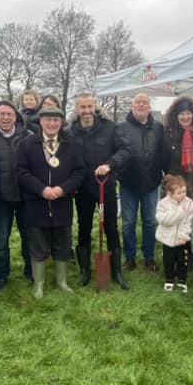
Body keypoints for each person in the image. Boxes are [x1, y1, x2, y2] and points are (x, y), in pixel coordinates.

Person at [16, 106, 85, 298]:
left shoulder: (71, 144)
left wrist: (62, 189)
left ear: (61, 122)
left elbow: (79, 172)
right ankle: (39, 283)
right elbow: (21, 172)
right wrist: (42, 189)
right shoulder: (27, 144)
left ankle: (61, 281)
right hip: (36, 203)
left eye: (56, 120)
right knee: (38, 245)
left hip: (62, 203)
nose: (52, 124)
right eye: (48, 120)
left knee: (62, 243)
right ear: (41, 122)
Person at [69, 94, 131, 289]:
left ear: (95, 107)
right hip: (83, 189)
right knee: (84, 228)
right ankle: (85, 271)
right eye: (82, 107)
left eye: (89, 106)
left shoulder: (110, 128)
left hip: (106, 187)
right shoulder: (70, 132)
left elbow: (124, 151)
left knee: (111, 227)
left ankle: (117, 273)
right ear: (77, 109)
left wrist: (109, 165)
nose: (86, 111)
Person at [0, 100, 32, 291]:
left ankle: (31, 270)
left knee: (29, 236)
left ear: (16, 117)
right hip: (1, 198)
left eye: (9, 114)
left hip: (25, 196)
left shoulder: (29, 137)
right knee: (0, 238)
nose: (5, 118)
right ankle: (1, 274)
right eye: (1, 114)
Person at [117, 93, 165, 272]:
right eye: (138, 102)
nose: (141, 105)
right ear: (132, 106)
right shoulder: (121, 127)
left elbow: (163, 153)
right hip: (128, 183)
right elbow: (116, 152)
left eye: (145, 103)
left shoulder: (158, 128)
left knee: (150, 221)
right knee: (128, 222)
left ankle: (149, 257)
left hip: (152, 184)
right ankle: (130, 257)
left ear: (149, 107)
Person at [163, 96, 193, 210]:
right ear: (176, 116)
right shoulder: (168, 135)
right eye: (181, 114)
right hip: (177, 183)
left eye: (188, 113)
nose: (185, 117)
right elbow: (164, 160)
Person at [155, 174, 193, 293]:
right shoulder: (163, 204)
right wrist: (178, 213)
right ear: (169, 193)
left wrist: (184, 236)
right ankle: (169, 279)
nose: (183, 195)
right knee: (168, 260)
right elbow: (163, 220)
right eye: (179, 193)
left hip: (182, 240)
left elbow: (190, 221)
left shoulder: (189, 203)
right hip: (168, 239)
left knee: (183, 261)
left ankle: (182, 279)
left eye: (184, 191)